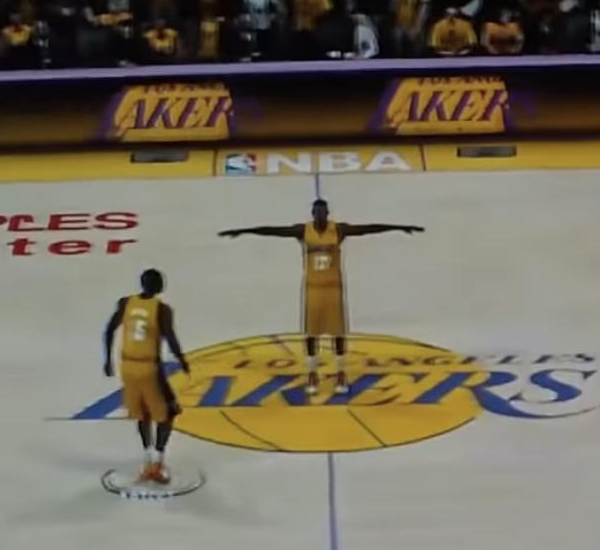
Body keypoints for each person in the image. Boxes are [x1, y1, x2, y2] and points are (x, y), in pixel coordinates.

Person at [219, 200, 424, 392]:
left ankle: (341, 373)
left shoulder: (339, 230)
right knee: (311, 334)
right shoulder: (303, 230)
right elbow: (273, 231)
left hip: (333, 289)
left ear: (327, 213)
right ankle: (312, 374)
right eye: (317, 213)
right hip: (313, 289)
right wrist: (244, 231)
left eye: (323, 212)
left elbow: (368, 228)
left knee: (338, 333)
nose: (320, 216)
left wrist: (398, 227)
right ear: (312, 213)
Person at [101, 269, 190, 485]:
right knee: (168, 412)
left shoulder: (126, 303)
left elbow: (109, 330)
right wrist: (182, 360)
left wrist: (108, 360)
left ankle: (147, 460)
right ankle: (158, 462)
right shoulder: (161, 309)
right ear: (159, 285)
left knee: (142, 413)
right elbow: (170, 338)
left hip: (127, 367)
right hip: (149, 368)